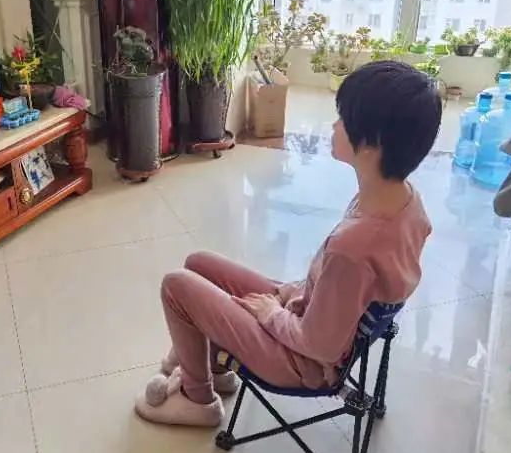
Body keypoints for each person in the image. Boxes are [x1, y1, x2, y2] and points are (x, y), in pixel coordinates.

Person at [135, 61, 442, 427]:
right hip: (309, 316)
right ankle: (212, 369)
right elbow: (336, 294)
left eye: (343, 119)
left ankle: (197, 400)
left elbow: (320, 345)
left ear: (372, 145)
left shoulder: (354, 247)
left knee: (176, 285)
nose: (333, 126)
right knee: (198, 263)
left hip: (299, 362)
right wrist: (285, 296)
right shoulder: (403, 201)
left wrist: (271, 313)